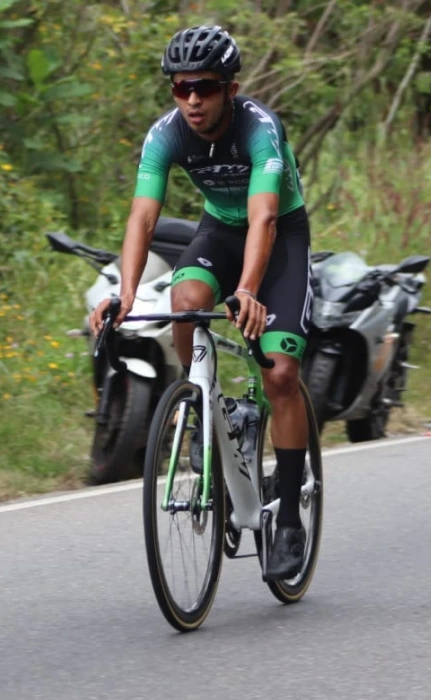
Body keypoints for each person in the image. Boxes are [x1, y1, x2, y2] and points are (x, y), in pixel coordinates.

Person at [87, 25, 313, 579]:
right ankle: (202, 406)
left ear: (229, 89)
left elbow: (263, 216)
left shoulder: (260, 130)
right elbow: (143, 217)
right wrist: (126, 292)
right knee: (184, 302)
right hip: (218, 229)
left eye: (204, 88)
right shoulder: (165, 135)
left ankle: (287, 519)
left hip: (279, 235)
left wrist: (247, 290)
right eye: (181, 88)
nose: (192, 99)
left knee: (281, 373)